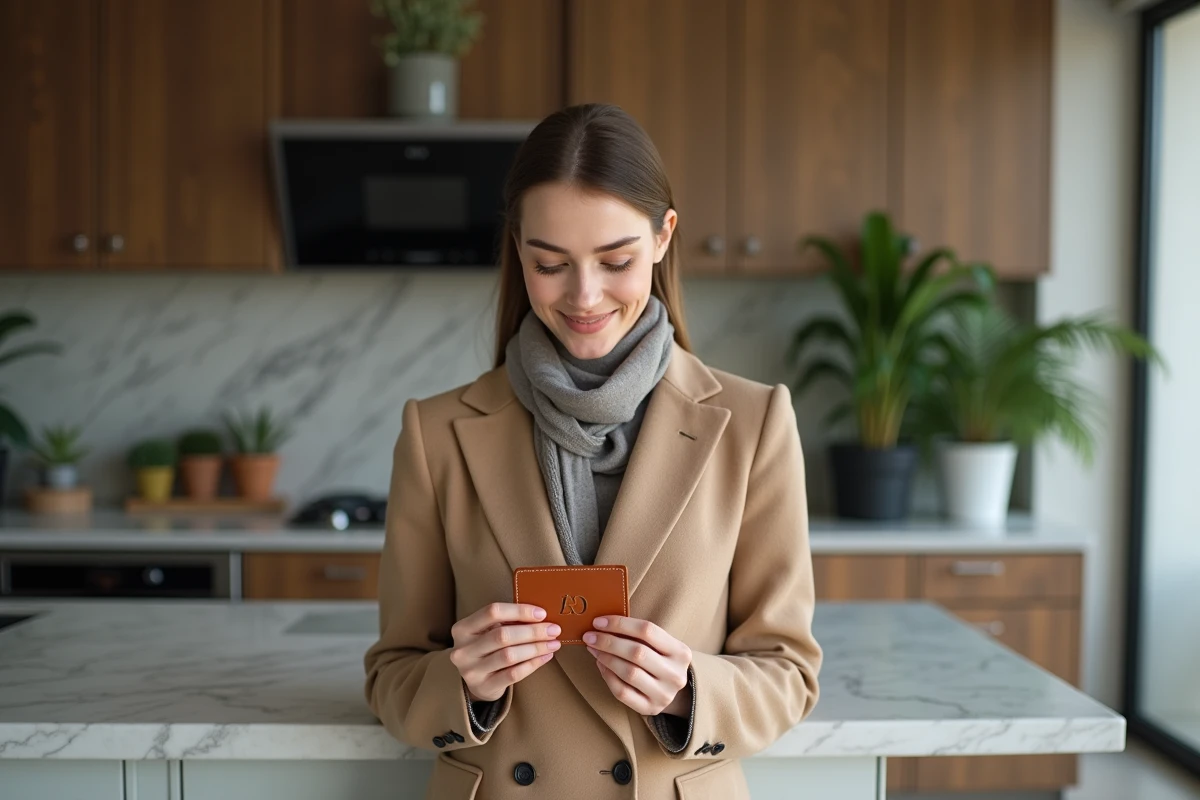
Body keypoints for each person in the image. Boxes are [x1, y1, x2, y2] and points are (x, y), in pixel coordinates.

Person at [364, 103, 822, 800]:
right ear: (518, 250)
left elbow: (788, 672)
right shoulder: (437, 432)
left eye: (616, 261)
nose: (584, 296)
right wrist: (463, 686)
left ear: (665, 237)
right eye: (550, 264)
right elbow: (392, 676)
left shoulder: (753, 423)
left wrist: (688, 691)